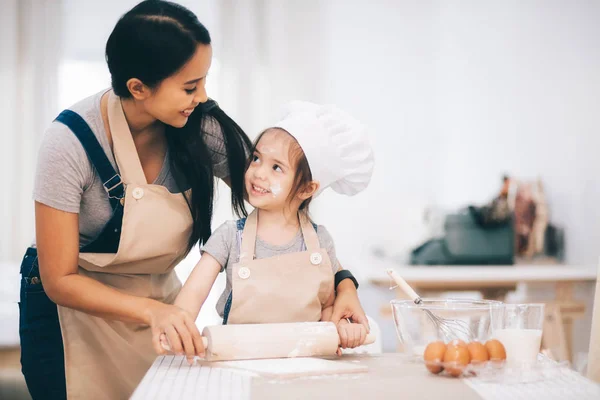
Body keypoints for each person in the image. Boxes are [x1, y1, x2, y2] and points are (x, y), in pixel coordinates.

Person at [18, 1, 366, 399]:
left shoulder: (201, 128)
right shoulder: (69, 144)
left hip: (160, 312)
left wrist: (344, 284)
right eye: (189, 86)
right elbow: (59, 280)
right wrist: (153, 312)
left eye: (203, 81)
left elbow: (285, 211)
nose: (202, 97)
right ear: (138, 88)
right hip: (72, 315)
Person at [161, 100, 375, 361]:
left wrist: (341, 328)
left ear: (306, 189)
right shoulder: (230, 236)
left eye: (276, 167)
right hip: (238, 362)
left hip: (307, 365)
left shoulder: (320, 242)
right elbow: (193, 294)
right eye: (256, 158)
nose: (258, 173)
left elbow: (329, 307)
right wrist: (177, 328)